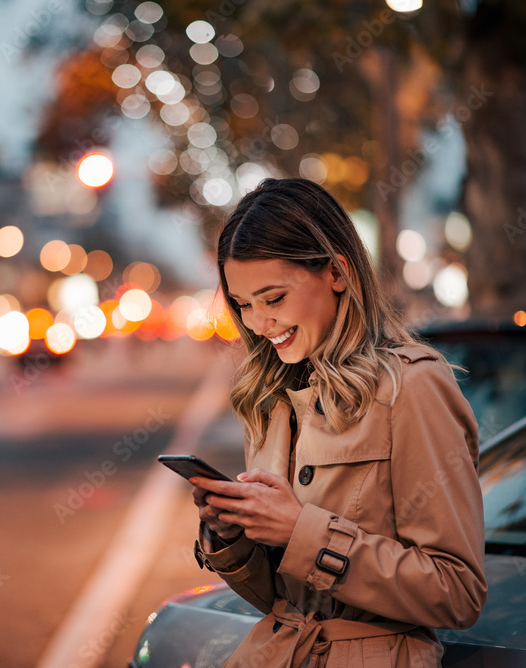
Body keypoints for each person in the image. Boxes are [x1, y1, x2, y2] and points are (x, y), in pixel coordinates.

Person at [190, 178, 487, 667]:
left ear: (337, 272)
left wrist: (300, 530)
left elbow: (456, 592)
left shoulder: (412, 386)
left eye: (273, 299)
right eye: (243, 305)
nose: (259, 324)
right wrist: (232, 534)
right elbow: (285, 602)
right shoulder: (269, 397)